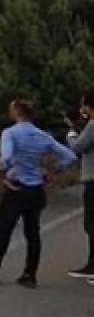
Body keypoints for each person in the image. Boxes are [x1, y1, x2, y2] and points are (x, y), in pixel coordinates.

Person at [0, 99, 77, 288]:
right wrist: (52, 171)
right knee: (32, 232)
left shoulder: (10, 133)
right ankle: (29, 274)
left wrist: (3, 176)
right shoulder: (42, 135)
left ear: (17, 111)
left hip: (17, 187)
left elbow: (7, 157)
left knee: (4, 231)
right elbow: (70, 156)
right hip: (35, 189)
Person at [67, 94, 94, 279]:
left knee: (91, 224)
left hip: (93, 179)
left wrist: (71, 134)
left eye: (83, 105)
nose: (81, 109)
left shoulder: (92, 126)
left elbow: (77, 147)